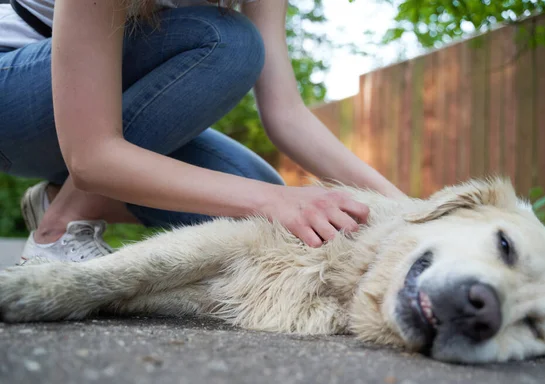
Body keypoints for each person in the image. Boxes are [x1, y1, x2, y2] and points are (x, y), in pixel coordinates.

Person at [0, 0, 404, 264]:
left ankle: (55, 198)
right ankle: (59, 231)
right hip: (14, 101)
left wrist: (408, 212)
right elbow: (91, 158)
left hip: (76, 126)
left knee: (255, 188)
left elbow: (287, 115)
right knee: (227, 41)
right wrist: (274, 200)